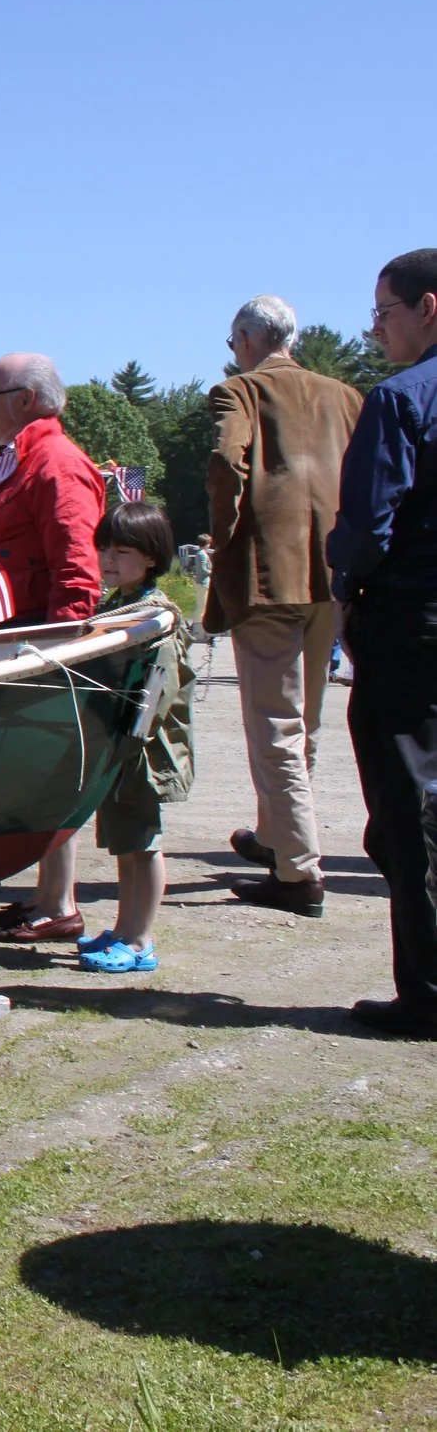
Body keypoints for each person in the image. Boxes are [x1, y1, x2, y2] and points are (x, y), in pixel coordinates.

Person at [203, 295, 362, 917]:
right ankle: (277, 838)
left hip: (268, 574)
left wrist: (224, 536)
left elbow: (224, 463)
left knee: (274, 724)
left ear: (247, 337)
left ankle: (298, 871)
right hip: (333, 573)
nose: (231, 353)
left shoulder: (239, 392)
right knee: (306, 722)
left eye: (231, 341)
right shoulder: (345, 396)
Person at [326, 248, 437, 1039]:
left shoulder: (400, 399)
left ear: (427, 307)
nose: (375, 330)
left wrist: (346, 586)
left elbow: (368, 523)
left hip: (411, 623)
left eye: (384, 312)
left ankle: (427, 990)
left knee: (408, 807)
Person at [0, 353, 107, 943]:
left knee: (51, 771)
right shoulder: (23, 457)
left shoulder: (53, 461)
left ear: (25, 399)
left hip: (40, 638)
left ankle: (59, 903)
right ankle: (51, 896)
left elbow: (77, 569)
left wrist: (60, 650)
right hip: (15, 633)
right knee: (40, 773)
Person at [58, 501, 198, 973]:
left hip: (142, 750)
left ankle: (140, 940)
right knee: (124, 844)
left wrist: (127, 742)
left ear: (152, 557)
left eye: (122, 551)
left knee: (144, 844)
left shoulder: (155, 616)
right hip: (118, 746)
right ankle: (122, 929)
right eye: (104, 549)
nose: (109, 560)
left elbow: (160, 694)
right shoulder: (118, 606)